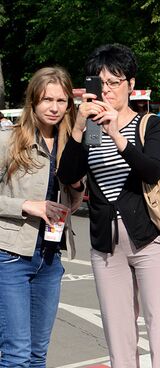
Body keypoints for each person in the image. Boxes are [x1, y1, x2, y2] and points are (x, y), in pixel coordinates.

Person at [57, 44, 160, 367]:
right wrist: (77, 128)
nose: (108, 90)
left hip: (151, 238)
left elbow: (151, 170)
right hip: (106, 243)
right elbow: (69, 175)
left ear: (131, 84)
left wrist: (116, 133)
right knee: (118, 336)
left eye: (115, 82)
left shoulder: (149, 124)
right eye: (101, 83)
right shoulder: (90, 131)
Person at [0, 67, 83, 367]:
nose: (54, 107)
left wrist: (76, 185)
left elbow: (73, 202)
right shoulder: (8, 140)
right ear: (33, 102)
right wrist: (27, 205)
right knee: (16, 354)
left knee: (37, 354)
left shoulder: (69, 145)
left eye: (61, 101)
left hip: (50, 257)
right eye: (47, 99)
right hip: (10, 257)